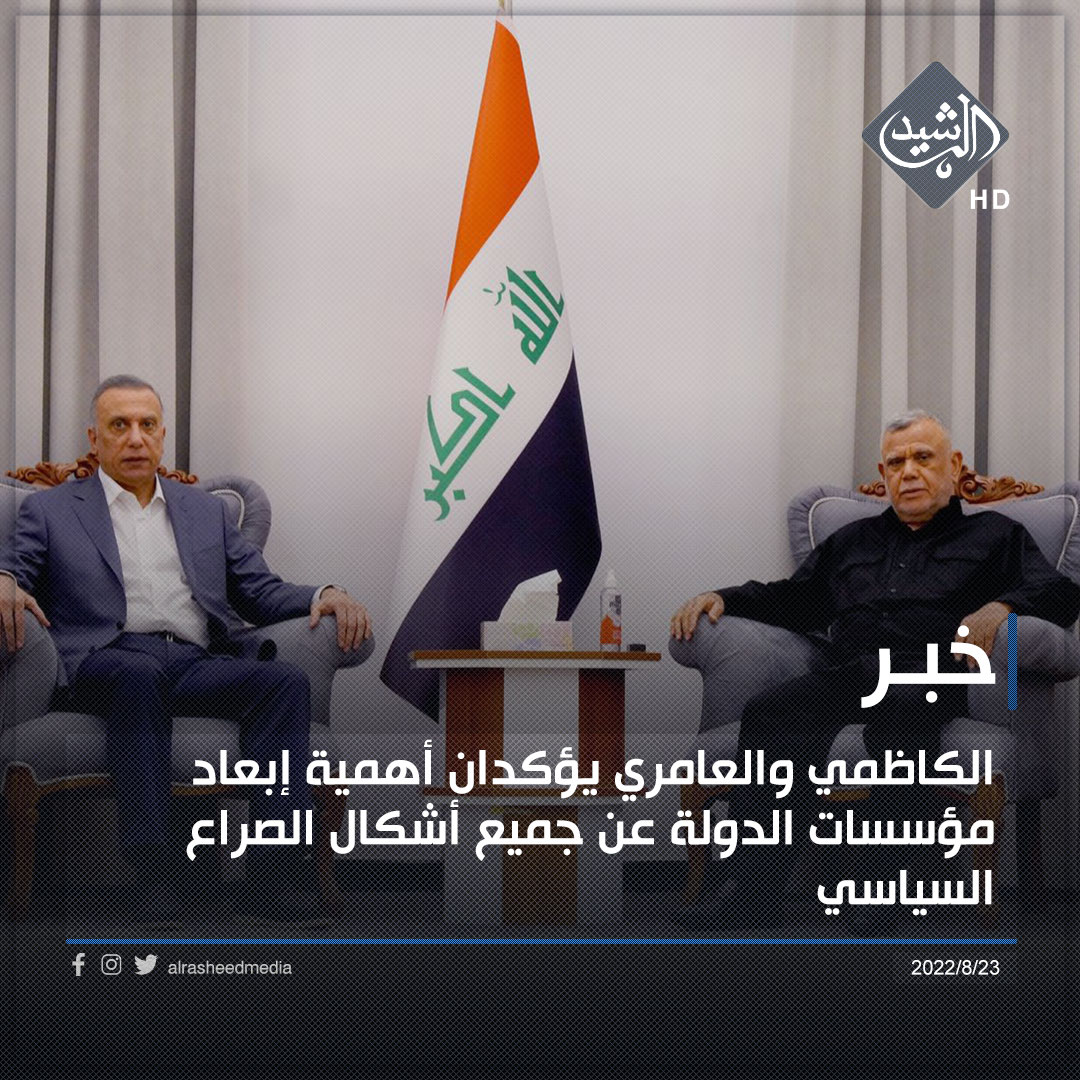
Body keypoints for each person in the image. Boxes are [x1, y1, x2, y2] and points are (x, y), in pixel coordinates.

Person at [668, 410, 1080, 929]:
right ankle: (752, 895)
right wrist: (722, 597)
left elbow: (1061, 594)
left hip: (932, 671)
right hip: (851, 671)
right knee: (771, 711)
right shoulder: (852, 541)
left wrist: (1002, 608)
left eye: (923, 458)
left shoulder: (996, 535)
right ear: (883, 474)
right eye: (896, 463)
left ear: (954, 466)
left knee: (903, 710)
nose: (909, 472)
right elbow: (795, 599)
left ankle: (888, 888)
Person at [0, 375, 371, 926]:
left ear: (162, 434)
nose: (135, 438)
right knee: (137, 675)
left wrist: (326, 594)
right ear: (95, 438)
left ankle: (274, 875)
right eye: (119, 425)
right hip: (106, 658)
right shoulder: (52, 510)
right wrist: (4, 579)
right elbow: (17, 568)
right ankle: (153, 875)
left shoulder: (203, 511)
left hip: (195, 660)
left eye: (147, 425)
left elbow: (260, 591)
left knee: (284, 683)